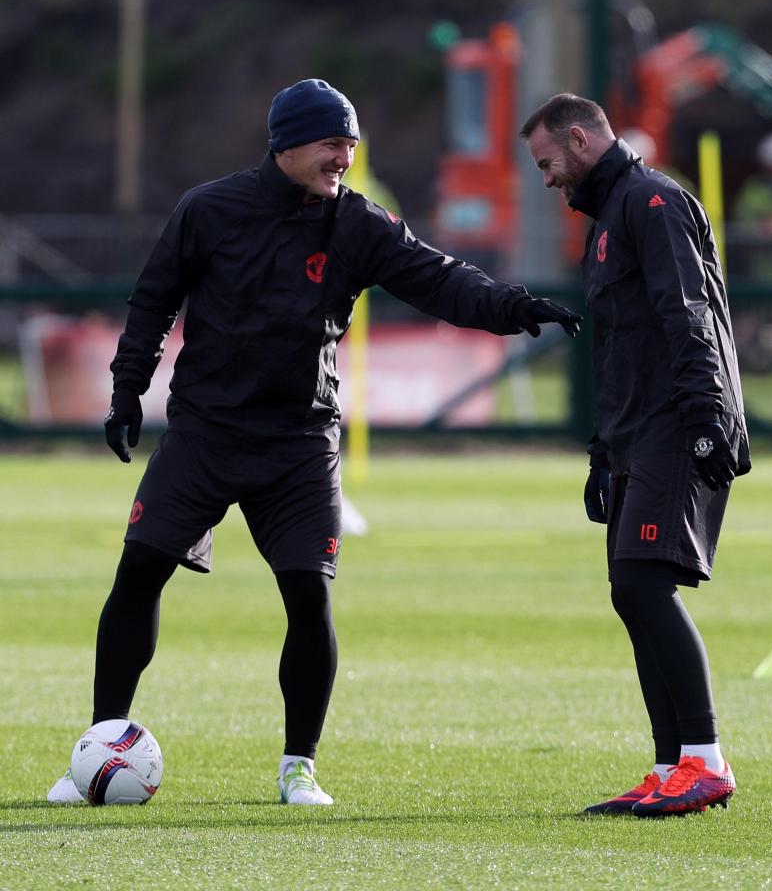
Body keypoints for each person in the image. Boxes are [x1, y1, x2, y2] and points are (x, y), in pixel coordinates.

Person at [47, 78, 581, 807]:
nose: (345, 156)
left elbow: (442, 281)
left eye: (351, 144)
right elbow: (152, 301)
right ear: (286, 144)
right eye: (333, 143)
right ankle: (101, 748)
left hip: (298, 443)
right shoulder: (207, 210)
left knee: (307, 594)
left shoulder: (360, 225)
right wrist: (126, 390)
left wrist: (516, 306)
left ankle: (299, 766)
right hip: (205, 432)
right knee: (138, 570)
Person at [520, 93, 751, 818]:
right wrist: (601, 449)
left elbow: (690, 312)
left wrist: (709, 415)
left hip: (675, 424)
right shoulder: (609, 220)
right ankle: (669, 766)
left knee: (646, 587)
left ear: (582, 140)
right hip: (635, 432)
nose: (547, 179)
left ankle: (705, 762)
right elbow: (622, 346)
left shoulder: (653, 203)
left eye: (548, 162)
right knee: (631, 591)